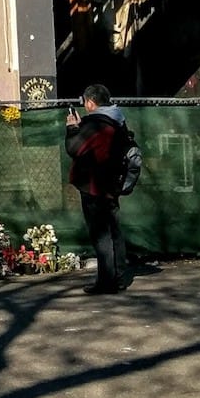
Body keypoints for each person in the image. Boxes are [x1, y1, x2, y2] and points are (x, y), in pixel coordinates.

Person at [65, 84, 129, 294]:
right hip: (113, 183)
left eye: (85, 101)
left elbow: (74, 148)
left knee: (101, 235)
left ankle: (106, 281)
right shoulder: (119, 120)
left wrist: (72, 128)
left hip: (93, 185)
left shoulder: (93, 124)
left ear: (91, 102)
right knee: (115, 231)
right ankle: (119, 278)